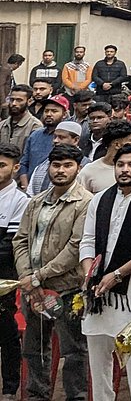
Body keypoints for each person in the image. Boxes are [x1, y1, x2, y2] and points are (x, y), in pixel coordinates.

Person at [80, 144, 131, 401]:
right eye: (120, 164)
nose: (125, 169)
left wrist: (116, 275)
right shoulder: (100, 199)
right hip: (97, 293)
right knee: (98, 359)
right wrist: (89, 274)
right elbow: (87, 240)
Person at [13, 143, 90, 401]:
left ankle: (76, 397)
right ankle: (37, 396)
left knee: (74, 351)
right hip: (33, 289)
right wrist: (29, 278)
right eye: (56, 165)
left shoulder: (85, 202)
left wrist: (39, 276)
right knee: (34, 349)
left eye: (67, 165)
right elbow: (20, 240)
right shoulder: (36, 201)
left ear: (78, 168)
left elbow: (75, 248)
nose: (60, 170)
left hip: (67, 289)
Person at [0, 142, 25, 401]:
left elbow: (10, 244)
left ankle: (9, 386)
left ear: (16, 168)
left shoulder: (19, 200)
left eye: (2, 165)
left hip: (5, 276)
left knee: (6, 332)